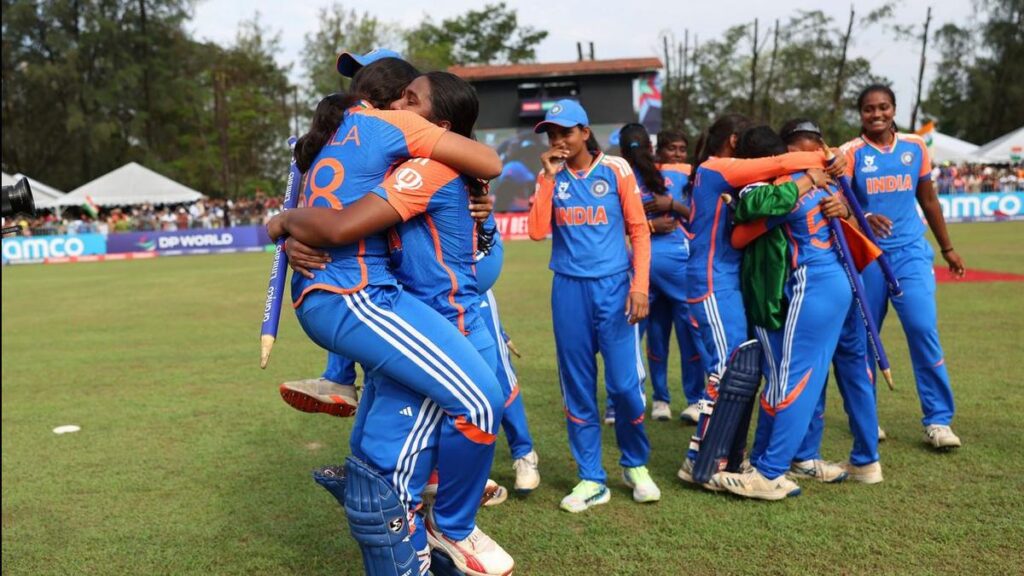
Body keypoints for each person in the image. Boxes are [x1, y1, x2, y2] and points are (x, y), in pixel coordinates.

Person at [268, 57, 513, 576]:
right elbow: (341, 222)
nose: (397, 106)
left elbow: (480, 255)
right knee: (392, 474)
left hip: (439, 320)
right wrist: (292, 233)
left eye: (410, 99)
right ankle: (443, 520)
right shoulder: (394, 152)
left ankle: (443, 517)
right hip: (388, 311)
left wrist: (288, 225)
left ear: (437, 126)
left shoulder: (403, 158)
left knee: (391, 478)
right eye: (396, 97)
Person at [677, 114, 828, 489]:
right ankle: (699, 463)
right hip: (712, 282)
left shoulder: (724, 174)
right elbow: (780, 164)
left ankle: (727, 457)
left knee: (742, 372)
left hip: (728, 282)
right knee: (725, 371)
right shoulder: (717, 168)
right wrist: (824, 161)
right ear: (732, 142)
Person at [527, 100, 660, 513]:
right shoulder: (550, 177)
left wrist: (639, 286)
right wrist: (547, 179)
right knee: (578, 387)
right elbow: (534, 232)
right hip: (568, 290)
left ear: (585, 132)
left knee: (623, 386)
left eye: (565, 132)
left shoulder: (616, 169)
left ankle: (635, 464)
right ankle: (591, 478)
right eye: (551, 134)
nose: (558, 141)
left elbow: (639, 231)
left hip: (615, 288)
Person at [716, 126, 853, 500]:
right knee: (790, 378)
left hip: (811, 283)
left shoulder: (792, 183)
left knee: (794, 380)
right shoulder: (821, 179)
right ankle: (765, 462)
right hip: (825, 283)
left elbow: (746, 215)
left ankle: (771, 471)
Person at [842, 84, 966, 450]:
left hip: (911, 252)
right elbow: (838, 203)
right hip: (868, 256)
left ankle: (939, 421)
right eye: (868, 109)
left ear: (894, 109)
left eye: (883, 107)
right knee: (866, 338)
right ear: (860, 113)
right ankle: (866, 417)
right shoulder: (849, 153)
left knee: (922, 328)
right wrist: (863, 215)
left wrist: (948, 248)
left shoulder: (915, 147)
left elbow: (928, 198)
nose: (876, 114)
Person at [780, 119, 882, 484]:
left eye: (814, 148)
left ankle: (864, 458)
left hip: (838, 285)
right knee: (829, 371)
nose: (809, 155)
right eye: (799, 149)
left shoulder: (833, 176)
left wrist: (846, 210)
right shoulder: (791, 180)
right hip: (839, 284)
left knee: (844, 370)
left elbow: (858, 219)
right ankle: (811, 454)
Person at [618, 123, 704, 424]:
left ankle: (643, 402)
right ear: (656, 149)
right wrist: (673, 208)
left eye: (682, 149)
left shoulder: (622, 174)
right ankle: (696, 399)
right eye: (672, 149)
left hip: (639, 263)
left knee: (646, 333)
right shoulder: (684, 174)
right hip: (676, 260)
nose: (677, 155)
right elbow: (701, 216)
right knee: (690, 331)